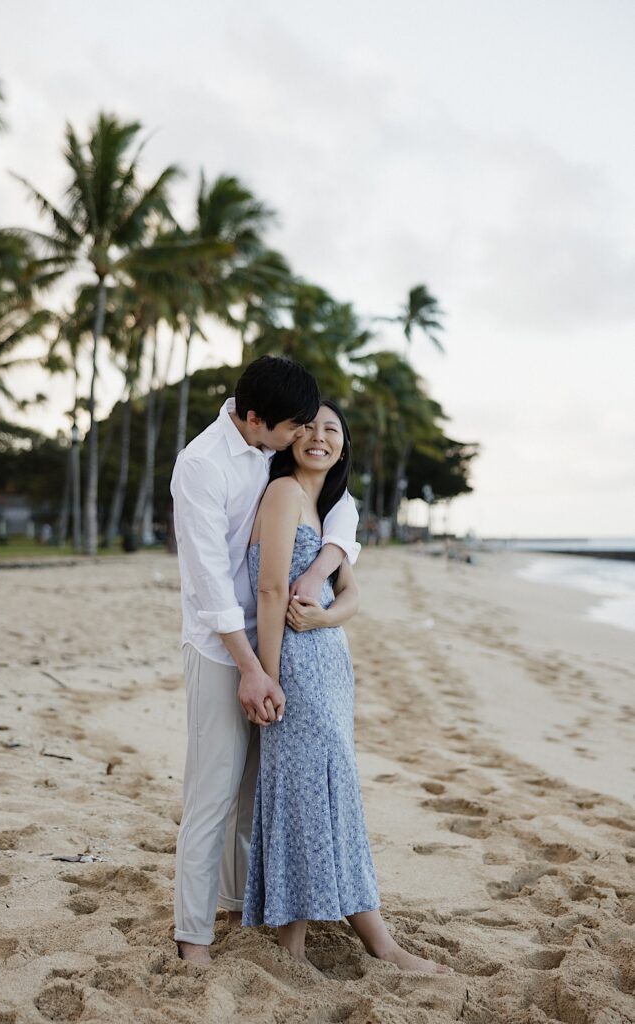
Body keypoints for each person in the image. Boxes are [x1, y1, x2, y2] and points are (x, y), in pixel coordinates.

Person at [241, 400, 455, 976]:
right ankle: (368, 944)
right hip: (297, 671)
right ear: (289, 439)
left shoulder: (329, 507)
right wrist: (267, 673)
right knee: (311, 795)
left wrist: (325, 619)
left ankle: (299, 941)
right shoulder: (284, 493)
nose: (318, 437)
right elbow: (267, 591)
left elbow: (352, 595)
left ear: (343, 446)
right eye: (308, 427)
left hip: (329, 663)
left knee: (323, 795)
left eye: (331, 430)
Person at [170, 356, 361, 964]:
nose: (306, 434)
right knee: (212, 796)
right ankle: (193, 939)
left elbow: (342, 515)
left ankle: (237, 906)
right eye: (296, 426)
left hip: (277, 650)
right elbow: (208, 584)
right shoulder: (202, 465)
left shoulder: (272, 453)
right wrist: (252, 666)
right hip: (224, 649)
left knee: (259, 796)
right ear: (256, 419)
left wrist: (323, 567)